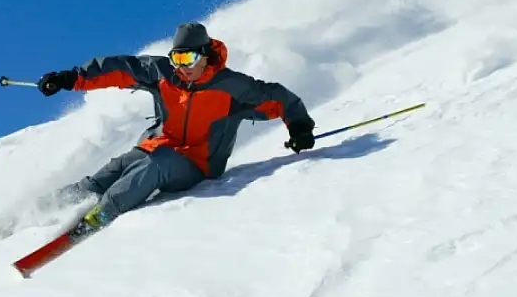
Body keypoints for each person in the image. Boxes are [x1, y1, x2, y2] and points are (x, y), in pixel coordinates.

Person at [36, 22, 316, 229]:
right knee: (110, 174)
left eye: (189, 58)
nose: (183, 66)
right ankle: (33, 213)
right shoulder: (164, 75)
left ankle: (102, 213)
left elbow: (277, 98)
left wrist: (299, 126)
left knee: (158, 164)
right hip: (155, 146)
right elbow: (119, 68)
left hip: (197, 164)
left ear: (205, 54)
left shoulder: (231, 87)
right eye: (177, 58)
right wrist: (70, 78)